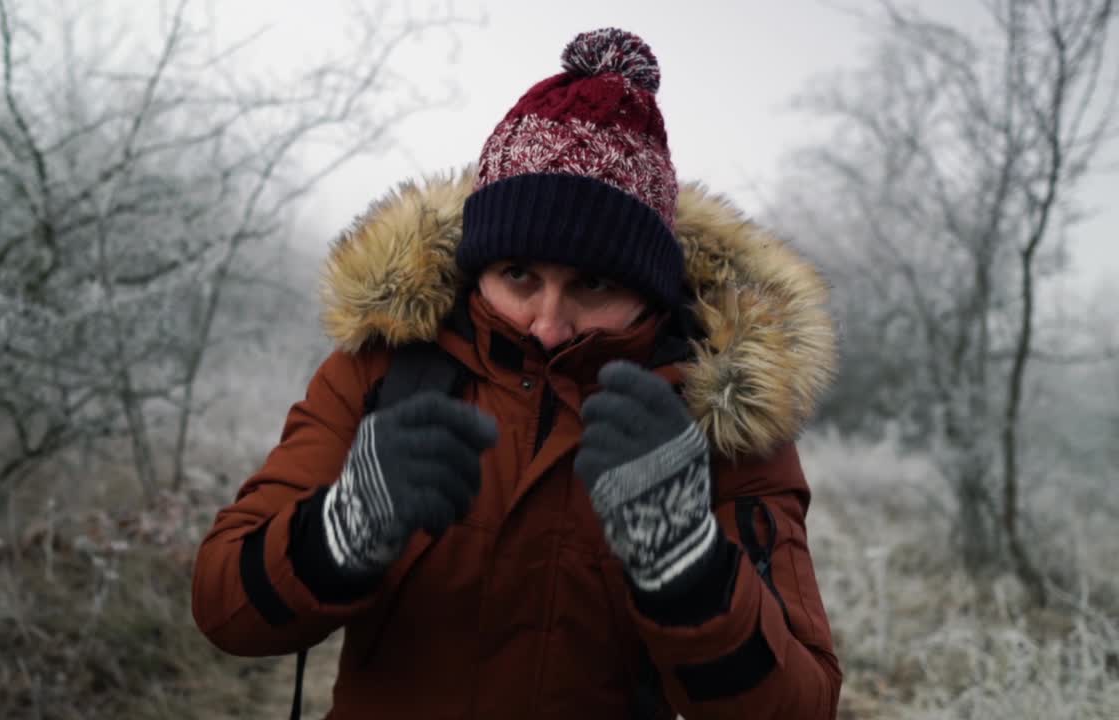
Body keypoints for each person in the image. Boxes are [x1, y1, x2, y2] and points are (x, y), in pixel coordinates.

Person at [192, 27, 841, 719]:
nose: (548, 322)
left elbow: (801, 704)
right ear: (480, 266)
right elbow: (224, 608)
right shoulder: (383, 371)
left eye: (592, 283)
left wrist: (688, 566)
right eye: (519, 274)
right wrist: (343, 528)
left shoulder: (723, 421)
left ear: (650, 292)